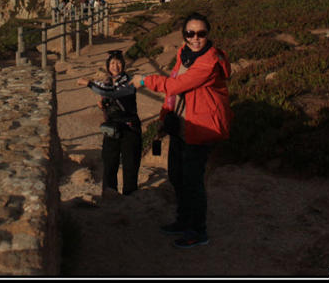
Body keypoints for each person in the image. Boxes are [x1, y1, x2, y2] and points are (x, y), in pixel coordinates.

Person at [134, 13, 232, 249]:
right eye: (190, 33)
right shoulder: (183, 53)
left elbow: (176, 85)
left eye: (201, 33)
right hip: (181, 123)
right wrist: (166, 117)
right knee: (177, 176)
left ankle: (198, 231)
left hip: (201, 127)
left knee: (193, 181)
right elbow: (176, 85)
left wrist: (145, 80)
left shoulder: (209, 61)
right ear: (184, 35)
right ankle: (183, 220)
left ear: (208, 35)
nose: (196, 38)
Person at [77, 51, 142, 196]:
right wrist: (104, 105)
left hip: (129, 127)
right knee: (109, 162)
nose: (115, 66)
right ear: (108, 66)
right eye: (112, 63)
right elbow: (109, 94)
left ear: (123, 65)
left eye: (118, 63)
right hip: (112, 127)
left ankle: (130, 197)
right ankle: (109, 195)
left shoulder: (128, 81)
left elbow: (113, 92)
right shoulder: (108, 81)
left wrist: (89, 83)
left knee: (130, 164)